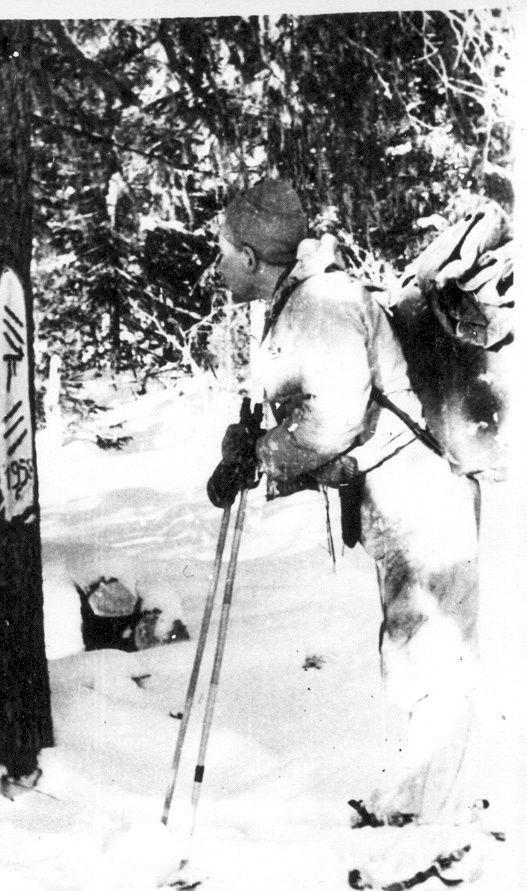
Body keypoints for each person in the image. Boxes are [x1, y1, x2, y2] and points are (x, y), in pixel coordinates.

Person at [207, 179, 489, 881]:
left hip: (419, 495)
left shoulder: (321, 305)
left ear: (250, 255)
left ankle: (440, 826)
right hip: (396, 496)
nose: (216, 264)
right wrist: (249, 444)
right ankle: (408, 805)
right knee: (411, 648)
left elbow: (334, 416)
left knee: (432, 650)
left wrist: (264, 454)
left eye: (222, 251)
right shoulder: (295, 304)